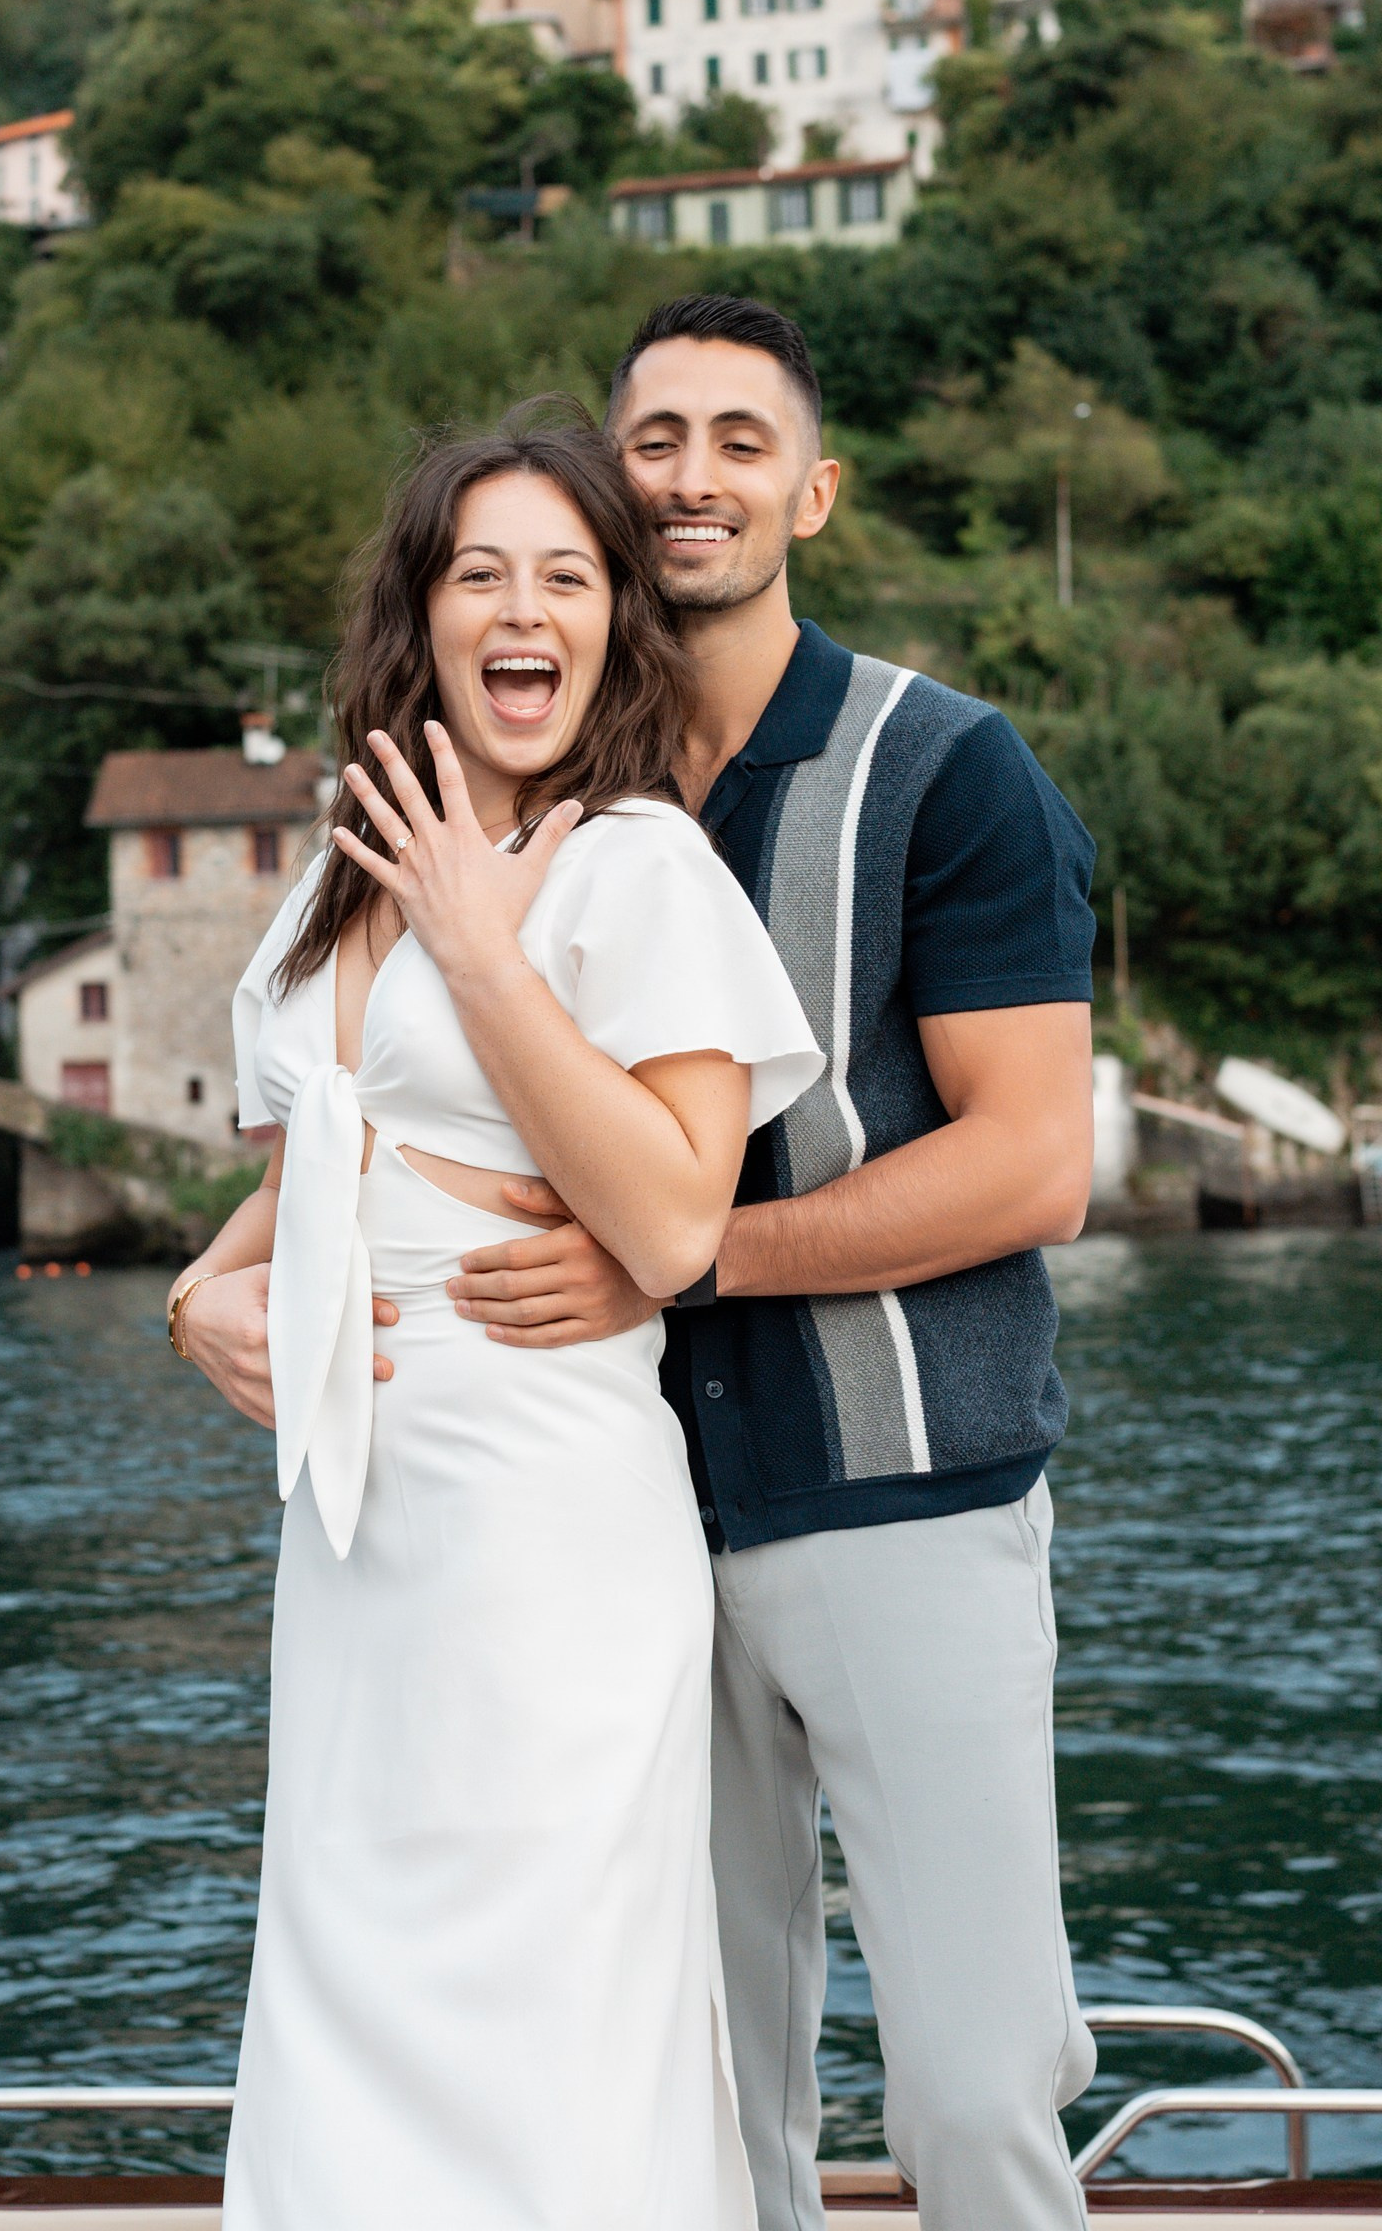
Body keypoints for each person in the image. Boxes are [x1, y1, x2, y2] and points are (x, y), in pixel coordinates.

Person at [441, 296, 1103, 2231]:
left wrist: (685, 1259)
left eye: (741, 442)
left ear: (810, 491)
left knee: (978, 2093)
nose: (692, 478)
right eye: (655, 440)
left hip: (907, 1502)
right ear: (608, 477)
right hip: (629, 1519)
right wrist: (214, 1276)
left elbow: (1033, 1164)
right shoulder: (556, 798)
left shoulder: (944, 770)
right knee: (706, 2104)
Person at [173, 415, 823, 2228]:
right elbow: (321, 1164)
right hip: (358, 1524)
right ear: (423, 617)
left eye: (566, 573)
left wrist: (479, 949)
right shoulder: (331, 882)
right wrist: (193, 1299)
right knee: (346, 1966)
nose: (523, 609)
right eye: (481, 573)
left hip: (553, 1509)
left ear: (618, 618)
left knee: (552, 1987)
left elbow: (680, 1213)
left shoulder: (639, 870)